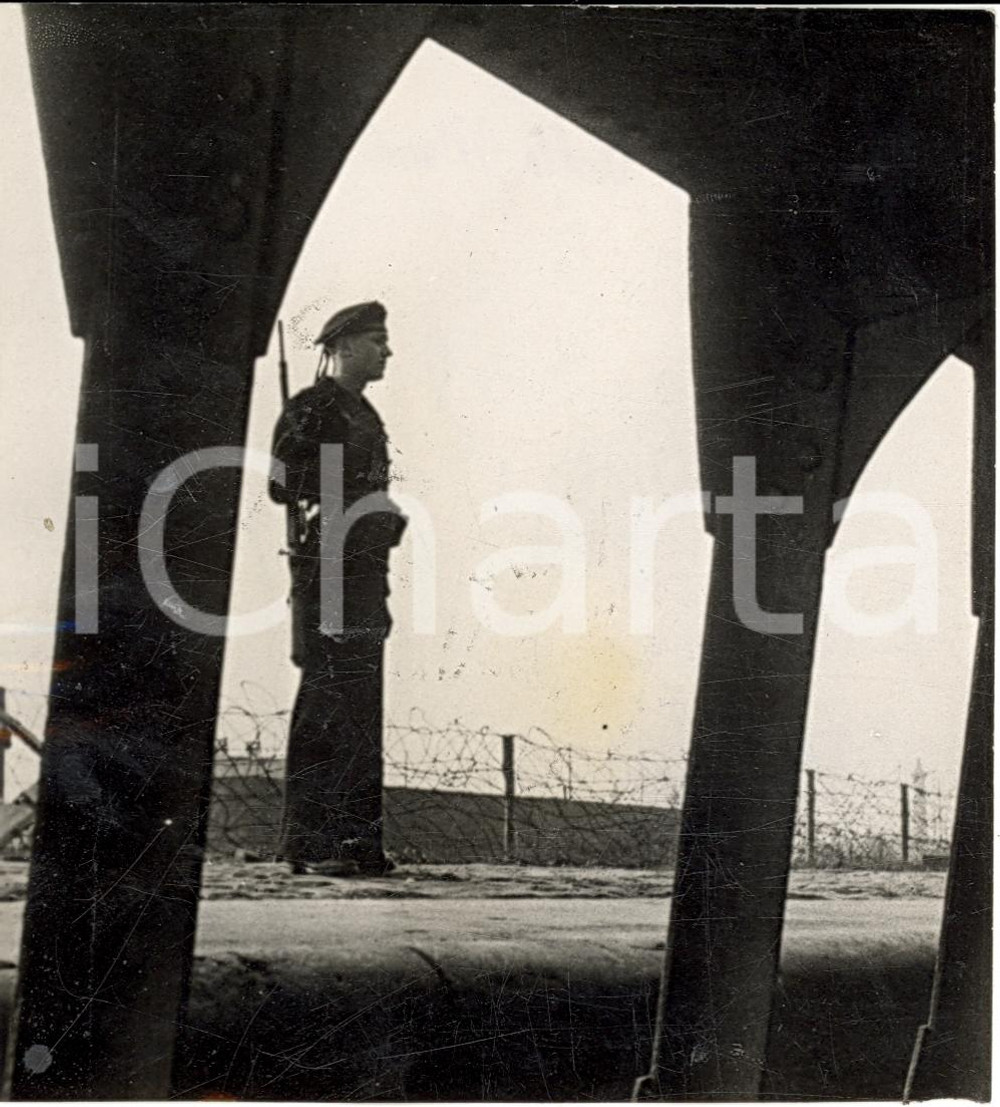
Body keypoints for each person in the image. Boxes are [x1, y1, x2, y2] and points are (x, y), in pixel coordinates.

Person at [268, 301, 406, 876]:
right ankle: (312, 839)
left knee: (361, 700)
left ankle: (354, 840)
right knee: (329, 695)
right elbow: (281, 483)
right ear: (344, 345)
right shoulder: (315, 405)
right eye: (378, 340)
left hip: (365, 566)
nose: (387, 351)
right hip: (328, 561)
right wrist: (352, 499)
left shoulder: (364, 413)